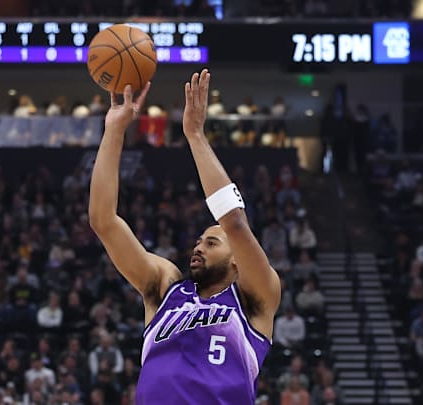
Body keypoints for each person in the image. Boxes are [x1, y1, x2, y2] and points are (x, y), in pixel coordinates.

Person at [88, 69, 281, 404]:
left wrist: (194, 135)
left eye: (211, 242)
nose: (198, 246)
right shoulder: (164, 287)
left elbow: (234, 222)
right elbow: (103, 221)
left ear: (237, 258)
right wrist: (114, 131)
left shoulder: (256, 298)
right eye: (199, 241)